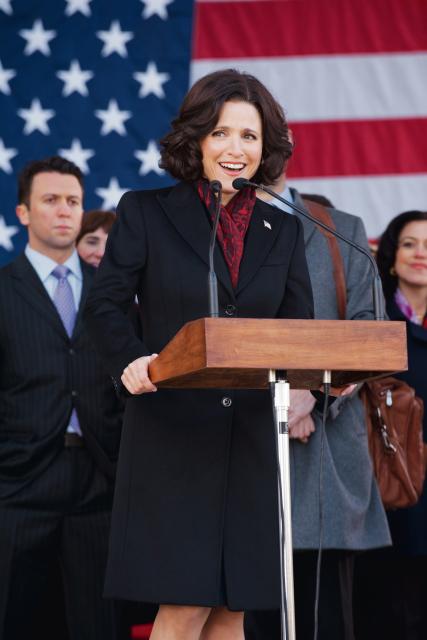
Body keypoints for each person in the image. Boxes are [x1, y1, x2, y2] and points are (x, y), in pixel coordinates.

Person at [83, 68, 314, 640]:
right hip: (174, 434)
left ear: (266, 147)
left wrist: (308, 386)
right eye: (221, 133)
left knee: (233, 610)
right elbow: (106, 305)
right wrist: (134, 360)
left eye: (250, 136)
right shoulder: (146, 210)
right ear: (197, 139)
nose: (236, 149)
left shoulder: (284, 229)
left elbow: (298, 329)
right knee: (185, 608)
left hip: (252, 441)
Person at [244, 175, 391, 640]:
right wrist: (280, 397)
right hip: (241, 450)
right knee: (246, 613)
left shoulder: (339, 228)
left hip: (324, 451)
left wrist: (314, 393)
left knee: (323, 612)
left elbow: (371, 333)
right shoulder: (210, 228)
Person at [0, 156, 123, 640]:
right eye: (50, 200)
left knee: (98, 625)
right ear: (23, 212)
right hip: (18, 483)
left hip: (98, 482)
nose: (64, 210)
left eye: (73, 200)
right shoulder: (3, 290)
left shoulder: (111, 295)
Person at [354, 210, 427, 640]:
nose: (421, 254)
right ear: (392, 256)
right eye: (410, 244)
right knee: (392, 608)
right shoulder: (372, 320)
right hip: (390, 483)